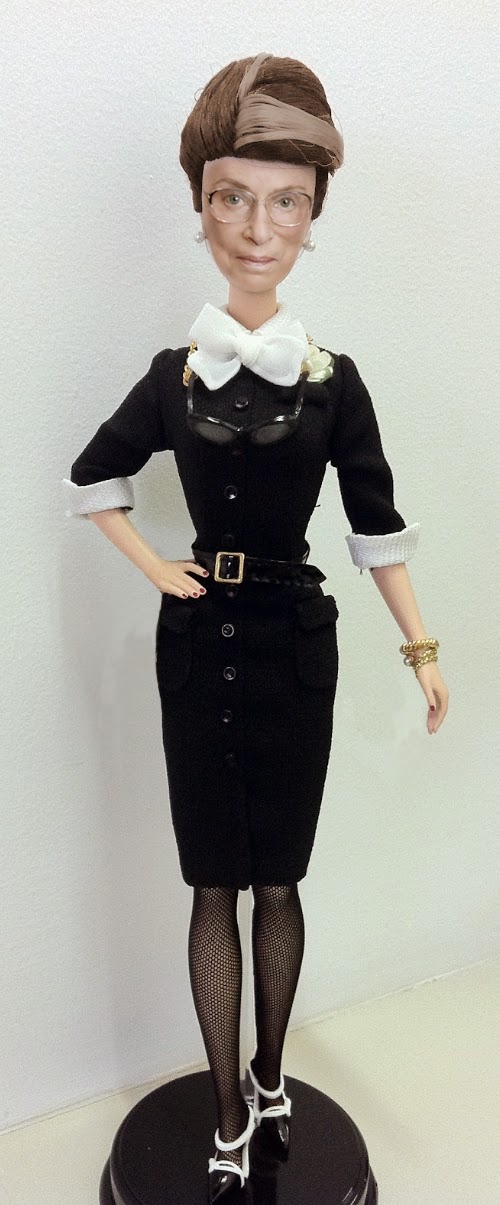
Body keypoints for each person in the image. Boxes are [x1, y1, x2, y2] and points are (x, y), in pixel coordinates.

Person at [62, 52, 449, 1201]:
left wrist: (420, 650)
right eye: (231, 197)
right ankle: (226, 1113)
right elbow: (93, 478)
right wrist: (156, 570)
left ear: (314, 214)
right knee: (210, 884)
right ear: (199, 205)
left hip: (292, 647)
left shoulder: (332, 383)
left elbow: (375, 528)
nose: (256, 227)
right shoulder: (170, 378)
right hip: (197, 650)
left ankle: (273, 1076)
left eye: (285, 201)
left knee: (278, 879)